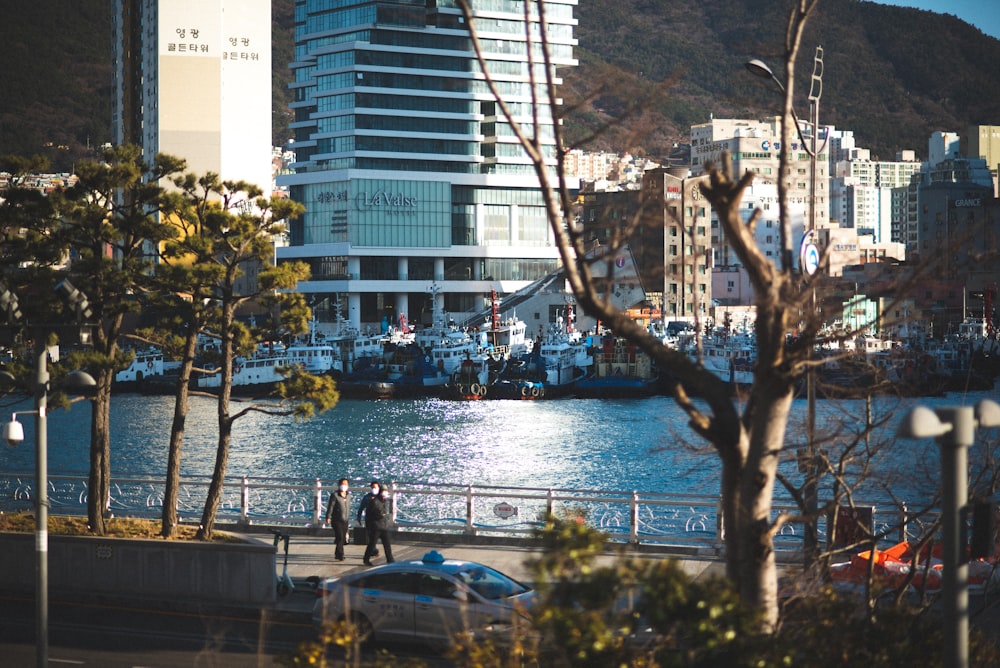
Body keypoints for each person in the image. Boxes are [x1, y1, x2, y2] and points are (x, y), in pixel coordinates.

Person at [356, 480, 393, 565]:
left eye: (386, 491)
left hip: (383, 526)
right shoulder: (374, 501)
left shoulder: (383, 501)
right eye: (384, 491)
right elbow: (369, 513)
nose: (385, 493)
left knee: (387, 544)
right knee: (372, 544)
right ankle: (366, 559)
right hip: (376, 526)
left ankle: (390, 560)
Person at [325, 478, 351, 561]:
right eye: (343, 484)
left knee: (342, 538)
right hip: (337, 520)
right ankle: (340, 554)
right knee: (340, 537)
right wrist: (328, 516)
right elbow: (331, 506)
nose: (344, 486)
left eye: (346, 484)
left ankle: (337, 553)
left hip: (345, 519)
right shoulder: (335, 495)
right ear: (339, 485)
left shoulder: (348, 495)